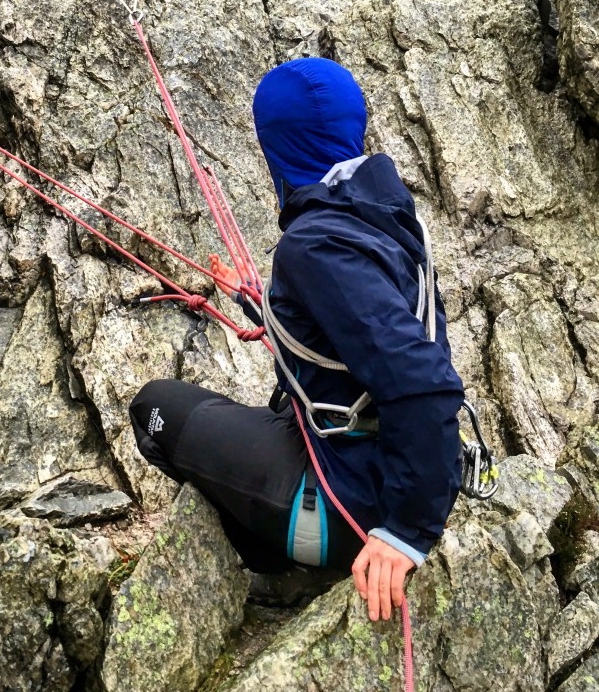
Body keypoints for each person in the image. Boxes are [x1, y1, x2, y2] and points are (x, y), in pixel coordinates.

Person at [129, 57, 464, 622]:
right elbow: (353, 326)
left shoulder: (314, 246)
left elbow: (424, 382)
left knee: (154, 408)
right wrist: (254, 300)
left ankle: (276, 558)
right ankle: (288, 541)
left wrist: (405, 532)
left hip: (354, 506)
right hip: (384, 469)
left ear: (276, 150)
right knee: (272, 406)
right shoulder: (384, 213)